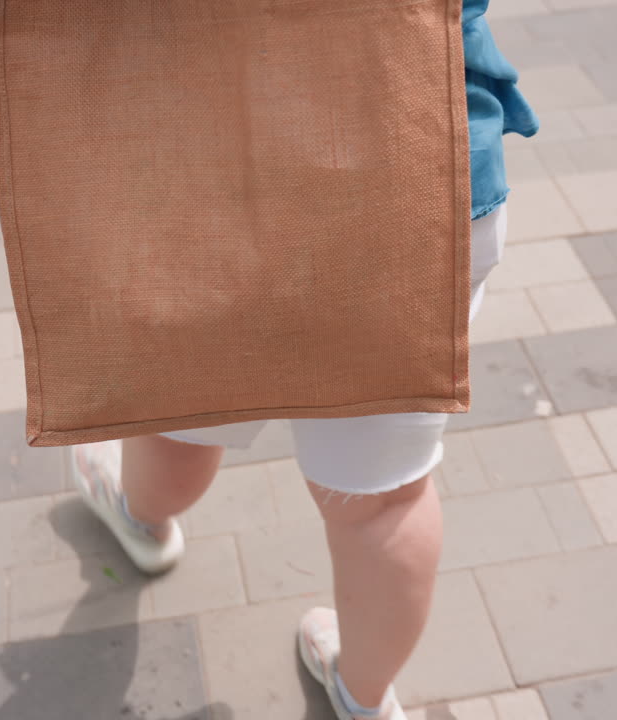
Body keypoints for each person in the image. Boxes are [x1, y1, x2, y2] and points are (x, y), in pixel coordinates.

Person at [71, 2, 537, 718]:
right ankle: (363, 696)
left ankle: (142, 522)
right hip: (422, 166)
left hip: (203, 180)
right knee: (384, 499)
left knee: (181, 412)